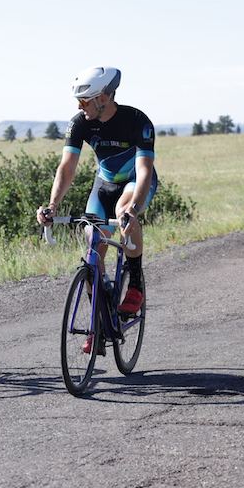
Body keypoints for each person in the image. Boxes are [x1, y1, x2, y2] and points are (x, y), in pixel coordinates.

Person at [37, 66, 158, 353]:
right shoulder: (80, 122)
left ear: (104, 96)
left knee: (123, 209)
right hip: (103, 185)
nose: (80, 106)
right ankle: (99, 322)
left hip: (134, 183)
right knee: (93, 245)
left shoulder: (136, 120)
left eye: (86, 100)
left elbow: (143, 171)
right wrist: (52, 206)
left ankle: (135, 279)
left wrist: (134, 208)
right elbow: (67, 168)